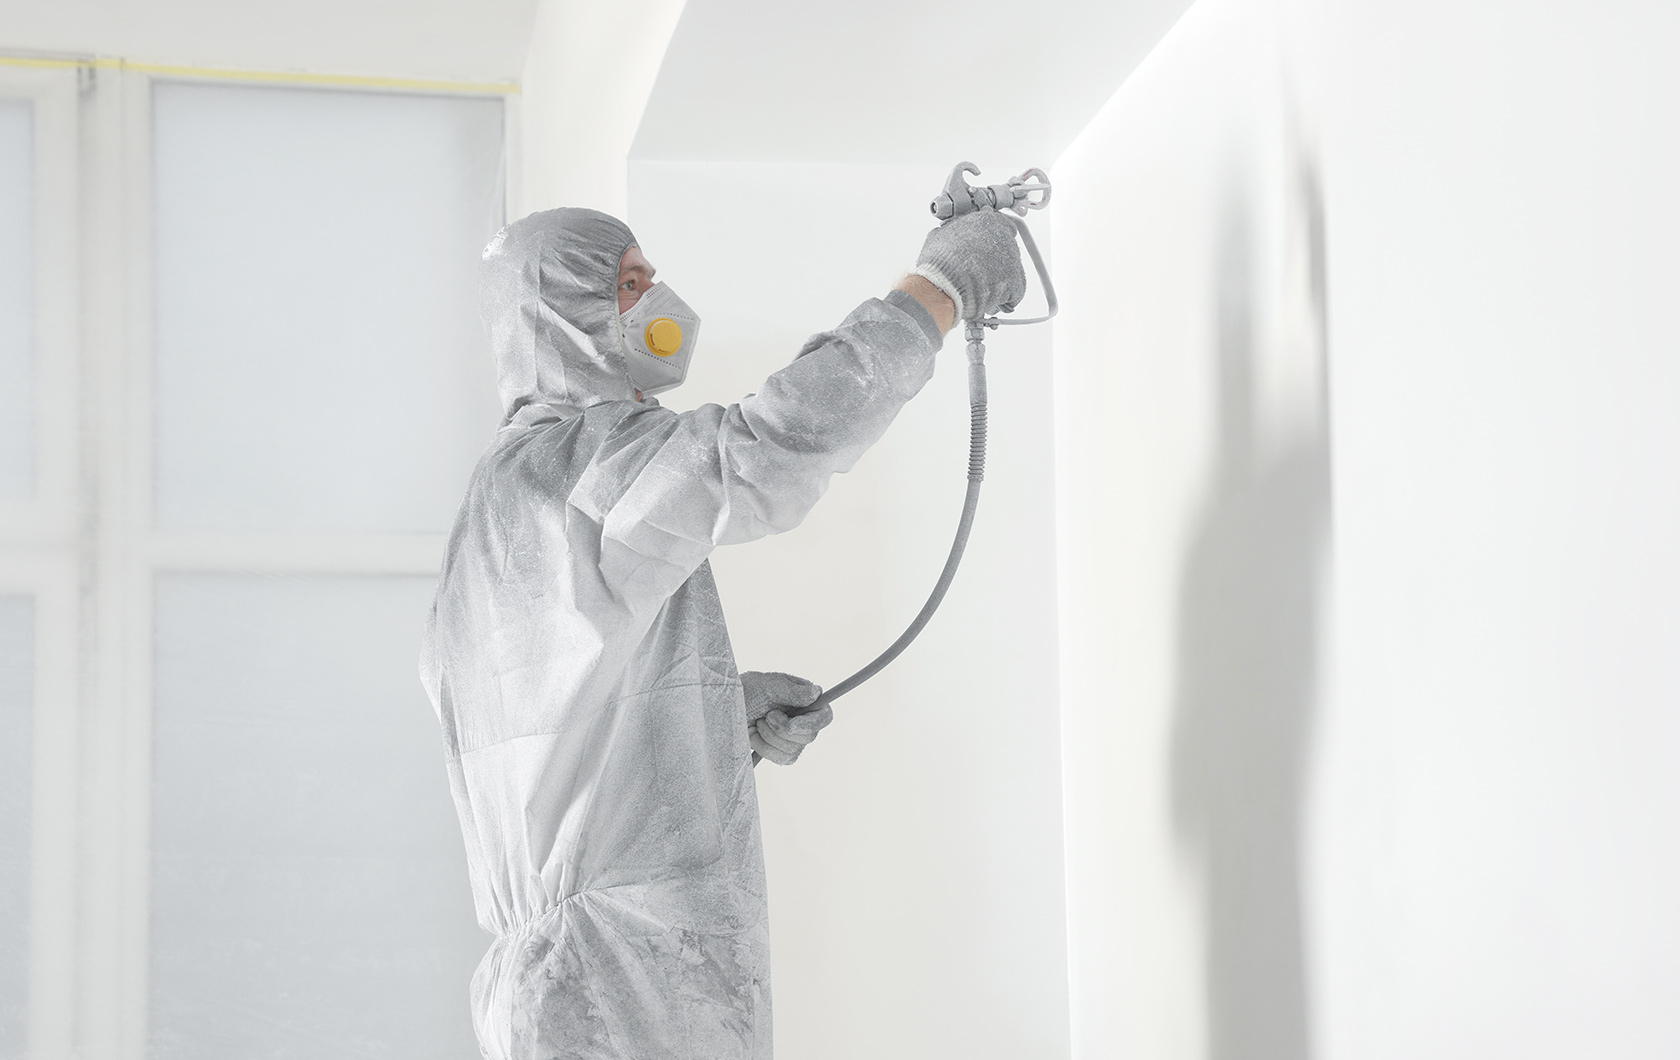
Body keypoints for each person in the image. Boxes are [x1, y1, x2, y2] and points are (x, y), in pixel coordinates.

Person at [420, 205, 1025, 1059]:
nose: (657, 302)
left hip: (581, 980)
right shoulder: (579, 465)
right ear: (557, 317)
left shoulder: (503, 506)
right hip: (621, 981)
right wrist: (936, 292)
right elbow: (765, 448)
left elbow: (549, 736)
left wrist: (710, 722)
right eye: (627, 285)